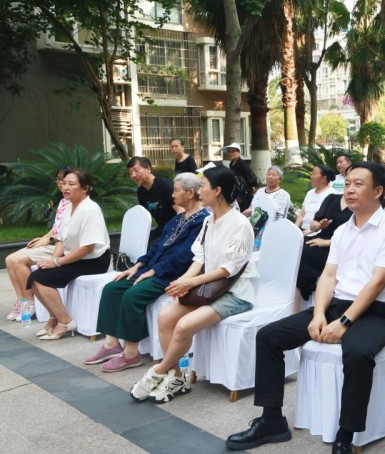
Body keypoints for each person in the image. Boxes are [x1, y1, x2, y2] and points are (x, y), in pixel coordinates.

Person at [225, 162, 385, 454]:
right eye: (347, 183)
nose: (349, 190)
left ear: (379, 192)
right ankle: (271, 420)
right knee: (269, 336)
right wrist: (321, 313)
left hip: (377, 312)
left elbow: (377, 283)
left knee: (356, 352)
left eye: (358, 184)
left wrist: (345, 322)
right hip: (337, 305)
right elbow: (328, 276)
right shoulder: (342, 230)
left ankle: (345, 439)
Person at [130, 166, 258, 404]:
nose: (199, 190)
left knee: (183, 326)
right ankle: (177, 377)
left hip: (235, 293)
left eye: (203, 185)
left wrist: (191, 282)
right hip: (209, 289)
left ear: (217, 190)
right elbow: (199, 258)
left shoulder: (239, 224)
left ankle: (157, 372)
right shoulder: (209, 221)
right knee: (166, 317)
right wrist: (183, 282)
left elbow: (228, 269)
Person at [84, 173, 208, 372]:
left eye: (176, 190)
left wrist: (154, 271)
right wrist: (139, 265)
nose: (172, 195)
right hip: (153, 269)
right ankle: (111, 344)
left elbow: (185, 256)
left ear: (190, 193)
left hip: (172, 274)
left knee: (132, 295)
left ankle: (132, 353)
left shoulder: (202, 221)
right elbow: (158, 245)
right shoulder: (178, 219)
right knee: (112, 288)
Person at [27, 169, 111, 340]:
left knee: (41, 278)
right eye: (64, 183)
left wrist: (58, 262)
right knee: (34, 278)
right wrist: (53, 258)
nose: (65, 187)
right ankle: (56, 317)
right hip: (75, 256)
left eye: (71, 184)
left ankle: (65, 322)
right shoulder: (67, 205)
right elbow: (60, 239)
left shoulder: (90, 210)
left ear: (85, 188)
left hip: (93, 260)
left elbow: (88, 248)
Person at [6, 167, 73, 322]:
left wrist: (48, 241)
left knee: (17, 260)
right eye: (59, 181)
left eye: (66, 182)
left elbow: (66, 233)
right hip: (53, 242)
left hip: (60, 246)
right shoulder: (64, 202)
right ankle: (21, 301)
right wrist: (43, 238)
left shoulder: (74, 203)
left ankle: (30, 303)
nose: (62, 185)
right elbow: (56, 227)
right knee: (9, 259)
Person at [294, 193, 352, 311]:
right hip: (320, 237)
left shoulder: (360, 204)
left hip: (341, 246)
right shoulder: (332, 198)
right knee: (295, 249)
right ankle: (294, 307)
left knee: (306, 255)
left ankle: (307, 304)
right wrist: (320, 225)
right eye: (348, 181)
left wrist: (328, 242)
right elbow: (314, 225)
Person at [128, 156, 178, 239]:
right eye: (130, 172)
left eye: (136, 170)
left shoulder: (165, 185)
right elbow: (144, 217)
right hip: (162, 228)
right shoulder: (141, 192)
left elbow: (181, 212)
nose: (133, 175)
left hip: (175, 228)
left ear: (148, 169)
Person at [296, 165, 336, 233]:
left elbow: (327, 220)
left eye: (314, 173)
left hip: (318, 233)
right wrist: (295, 229)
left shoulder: (332, 194)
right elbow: (301, 215)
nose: (311, 176)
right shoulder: (310, 193)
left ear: (323, 178)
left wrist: (306, 232)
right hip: (302, 231)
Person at [223, 142, 257, 212]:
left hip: (245, 191)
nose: (231, 153)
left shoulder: (242, 164)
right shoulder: (231, 164)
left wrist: (252, 186)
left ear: (239, 152)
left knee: (244, 209)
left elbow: (251, 176)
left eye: (233, 151)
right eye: (229, 152)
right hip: (237, 189)